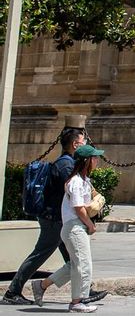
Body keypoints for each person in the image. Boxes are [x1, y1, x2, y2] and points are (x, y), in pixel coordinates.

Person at [5, 128, 108, 307]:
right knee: (42, 254)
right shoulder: (66, 165)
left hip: (61, 219)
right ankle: (13, 291)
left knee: (74, 259)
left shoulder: (68, 163)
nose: (86, 144)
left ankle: (82, 289)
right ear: (76, 144)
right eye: (83, 141)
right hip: (54, 219)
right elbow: (74, 194)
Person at [28, 143, 104, 313]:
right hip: (74, 227)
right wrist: (90, 224)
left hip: (77, 227)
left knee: (73, 265)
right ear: (86, 161)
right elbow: (78, 208)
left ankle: (41, 285)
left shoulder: (84, 181)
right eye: (94, 158)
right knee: (83, 265)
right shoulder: (76, 181)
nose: (97, 160)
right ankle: (77, 301)